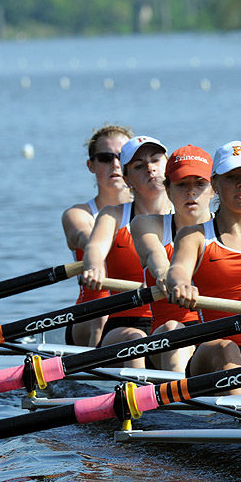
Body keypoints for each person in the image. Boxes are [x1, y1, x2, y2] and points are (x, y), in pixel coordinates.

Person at [165, 140, 241, 393]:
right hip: (212, 353)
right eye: (231, 177)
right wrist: (181, 285)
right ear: (215, 185)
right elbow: (178, 270)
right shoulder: (195, 236)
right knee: (227, 349)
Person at [81, 135, 174, 360]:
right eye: (139, 166)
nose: (150, 169)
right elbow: (94, 248)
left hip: (174, 322)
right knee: (137, 340)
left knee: (175, 331)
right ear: (127, 178)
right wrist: (94, 266)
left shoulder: (189, 218)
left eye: (156, 160)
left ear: (168, 165)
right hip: (125, 324)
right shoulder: (113, 215)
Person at [130, 145, 215, 372]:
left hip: (218, 340)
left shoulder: (230, 233)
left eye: (199, 184)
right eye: (181, 185)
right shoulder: (147, 225)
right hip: (165, 340)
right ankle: (177, 404)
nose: (191, 192)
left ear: (213, 188)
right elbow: (154, 254)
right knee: (174, 328)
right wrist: (169, 276)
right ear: (167, 189)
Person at [60, 124, 133, 347]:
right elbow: (85, 236)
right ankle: (97, 375)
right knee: (104, 311)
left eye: (122, 156)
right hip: (91, 314)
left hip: (140, 310)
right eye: (105, 158)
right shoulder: (79, 214)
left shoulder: (154, 213)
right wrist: (96, 257)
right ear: (91, 165)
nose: (115, 164)